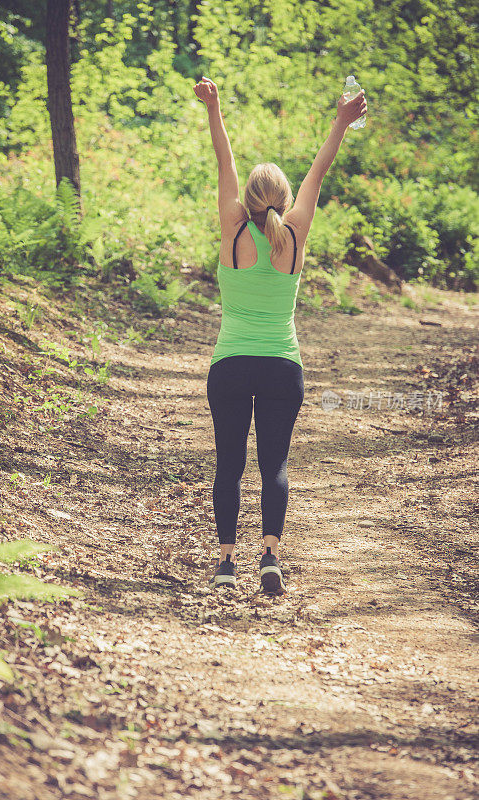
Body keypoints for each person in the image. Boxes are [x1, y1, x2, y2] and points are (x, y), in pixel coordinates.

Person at [193, 76, 367, 594]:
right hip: (282, 366)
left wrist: (214, 106)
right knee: (274, 464)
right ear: (285, 200)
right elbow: (321, 170)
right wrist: (340, 121)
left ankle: (226, 562)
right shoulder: (293, 234)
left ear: (247, 199)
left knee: (230, 463)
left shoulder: (231, 226)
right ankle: (270, 555)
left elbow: (222, 159)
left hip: (229, 365)